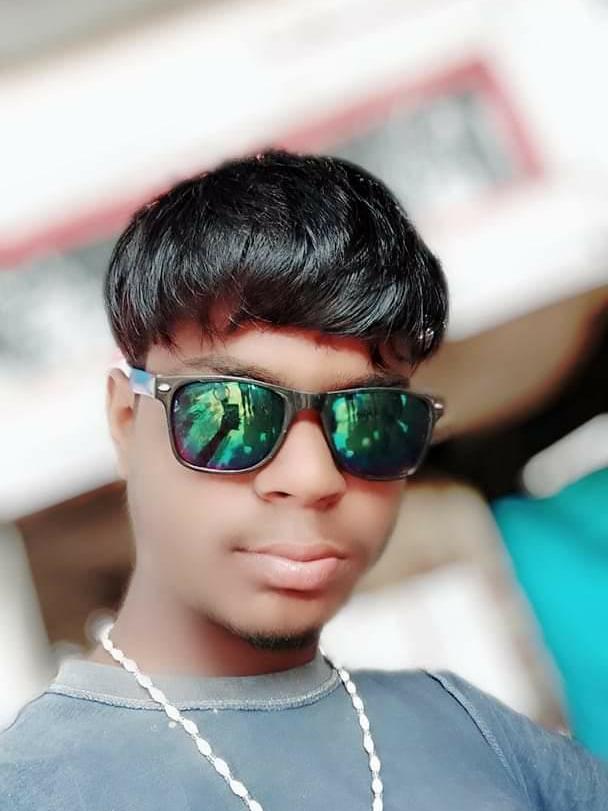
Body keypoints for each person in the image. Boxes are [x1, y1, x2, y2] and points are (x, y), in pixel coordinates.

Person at [1, 151, 606, 810]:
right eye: (231, 412)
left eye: (372, 418)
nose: (315, 475)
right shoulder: (39, 787)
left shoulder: (474, 728)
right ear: (126, 421)